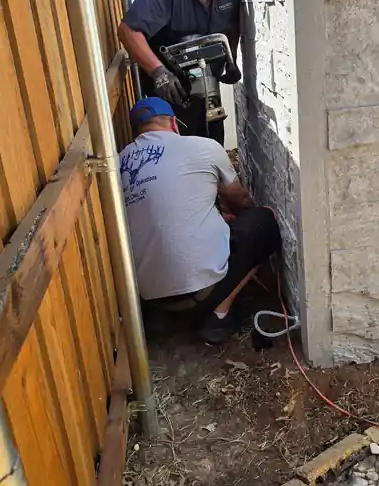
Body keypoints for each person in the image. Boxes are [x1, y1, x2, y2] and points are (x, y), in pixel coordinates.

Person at [120, 97, 281, 344]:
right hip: (201, 292)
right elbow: (239, 200)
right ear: (174, 123)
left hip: (148, 298)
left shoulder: (119, 162)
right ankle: (219, 316)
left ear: (136, 133)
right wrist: (240, 219)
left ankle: (165, 317)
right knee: (263, 222)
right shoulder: (203, 147)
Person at [118, 0, 242, 144]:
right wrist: (159, 73)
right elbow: (129, 30)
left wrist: (230, 58)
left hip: (206, 86)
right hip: (171, 88)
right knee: (181, 147)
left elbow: (232, 22)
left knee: (212, 145)